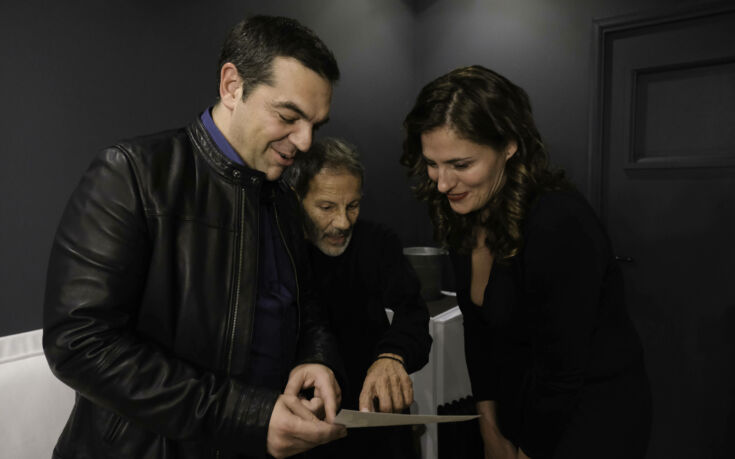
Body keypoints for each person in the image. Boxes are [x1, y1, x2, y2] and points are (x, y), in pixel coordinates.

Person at [43, 16, 348, 459]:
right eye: (288, 116)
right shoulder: (132, 174)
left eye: (315, 125)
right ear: (232, 86)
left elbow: (307, 308)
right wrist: (243, 416)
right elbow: (79, 343)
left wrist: (316, 358)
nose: (304, 142)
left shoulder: (282, 199)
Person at [400, 65, 652, 459]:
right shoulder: (464, 212)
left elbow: (562, 373)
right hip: (525, 408)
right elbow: (479, 336)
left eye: (461, 165)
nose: (443, 183)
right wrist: (489, 428)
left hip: (592, 415)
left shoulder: (558, 221)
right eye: (433, 163)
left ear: (509, 146)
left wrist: (528, 451)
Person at [285, 137, 432, 459]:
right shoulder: (281, 253)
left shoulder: (378, 243)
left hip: (377, 422)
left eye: (352, 205)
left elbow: (413, 313)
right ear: (296, 198)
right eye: (326, 207)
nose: (343, 222)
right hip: (307, 425)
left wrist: (392, 357)